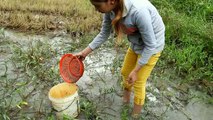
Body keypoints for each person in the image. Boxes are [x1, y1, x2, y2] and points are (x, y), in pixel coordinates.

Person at [75, 0, 165, 118]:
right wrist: (84, 53)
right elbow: (104, 34)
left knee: (138, 82)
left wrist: (136, 70)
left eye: (97, 6)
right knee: (125, 73)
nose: (96, 9)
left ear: (111, 1)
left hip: (152, 47)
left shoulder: (139, 12)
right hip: (136, 44)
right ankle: (125, 102)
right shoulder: (110, 10)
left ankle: (135, 115)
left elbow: (151, 45)